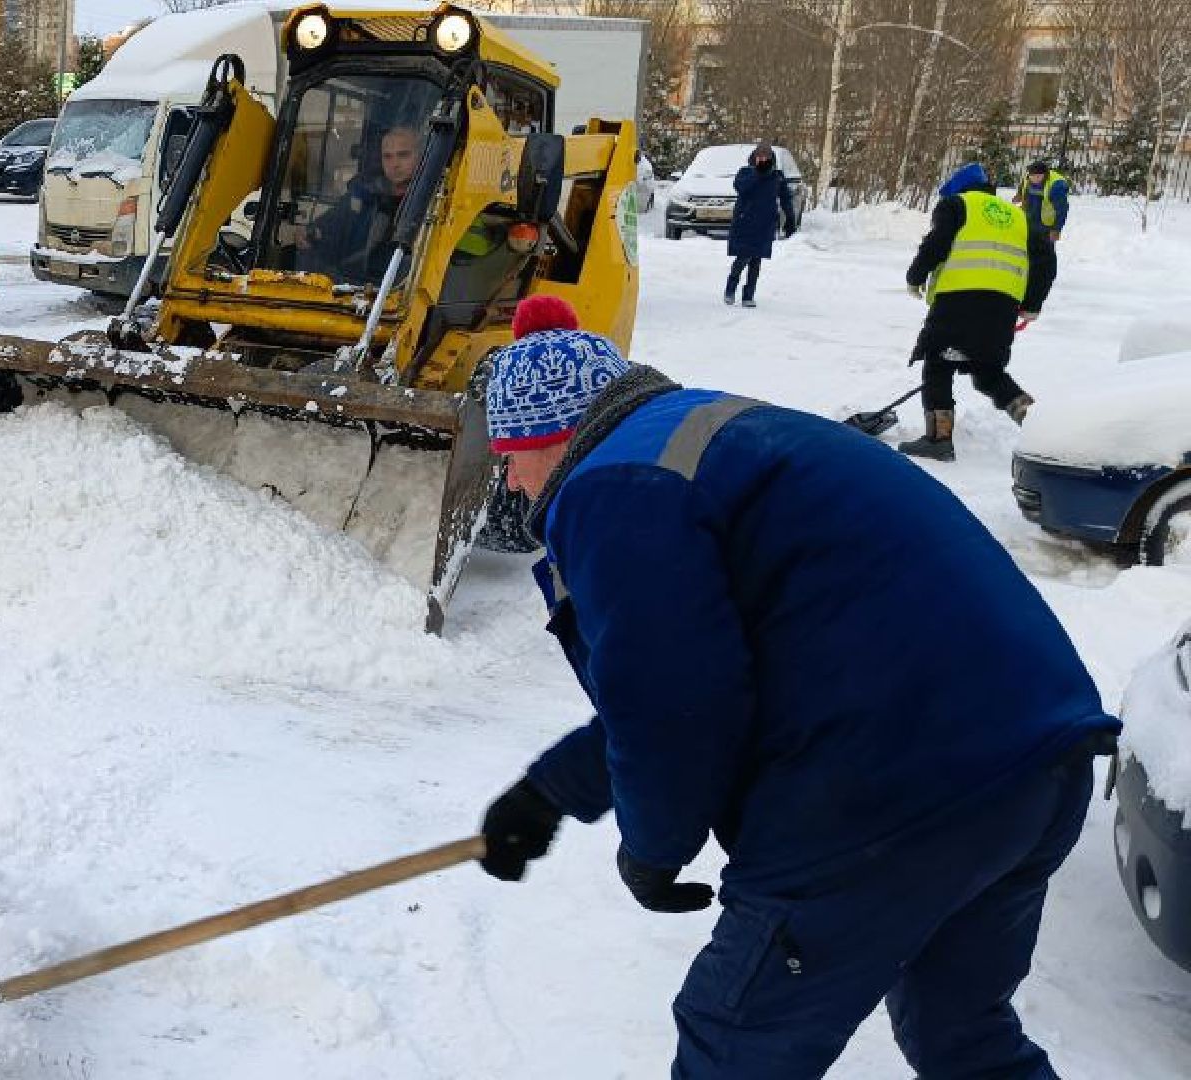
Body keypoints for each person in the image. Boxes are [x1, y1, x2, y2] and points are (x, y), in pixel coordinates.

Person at [471, 303, 1118, 1079]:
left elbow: (675, 712)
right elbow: (690, 677)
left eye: (509, 453)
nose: (509, 475)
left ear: (550, 435)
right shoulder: (707, 435)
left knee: (735, 1045)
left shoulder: (616, 487)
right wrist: (549, 792)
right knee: (964, 1035)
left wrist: (652, 848)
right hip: (1033, 759)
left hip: (887, 790)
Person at [896, 162, 1056, 461]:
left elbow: (937, 243)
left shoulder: (957, 205)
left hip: (958, 300)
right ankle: (1043, 429)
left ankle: (938, 438)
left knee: (938, 363)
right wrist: (1032, 304)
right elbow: (1046, 258)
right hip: (1002, 307)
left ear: (957, 189)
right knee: (988, 371)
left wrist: (915, 276)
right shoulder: (1018, 217)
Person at [304, 126, 427, 283]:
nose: (394, 164)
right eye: (387, 157)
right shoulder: (364, 195)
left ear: (421, 156)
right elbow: (329, 226)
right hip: (351, 285)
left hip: (396, 292)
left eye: (403, 155)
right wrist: (308, 234)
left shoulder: (432, 202)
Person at [724, 143, 796, 307]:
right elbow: (741, 188)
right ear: (754, 157)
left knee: (756, 262)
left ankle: (748, 296)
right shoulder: (745, 172)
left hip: (764, 225)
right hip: (745, 222)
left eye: (766, 157)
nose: (762, 159)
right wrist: (758, 173)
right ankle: (730, 289)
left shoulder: (777, 177)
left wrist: (790, 219)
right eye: (760, 157)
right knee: (742, 258)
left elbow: (786, 198)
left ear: (771, 159)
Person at [1016, 159, 1069, 244]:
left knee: (1045, 252)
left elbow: (1062, 209)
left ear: (1045, 175)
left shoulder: (1057, 186)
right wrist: (1019, 194)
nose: (1034, 179)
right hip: (1029, 220)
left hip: (1047, 226)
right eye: (1032, 176)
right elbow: (1023, 185)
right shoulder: (1029, 176)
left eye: (1038, 177)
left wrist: (1056, 229)